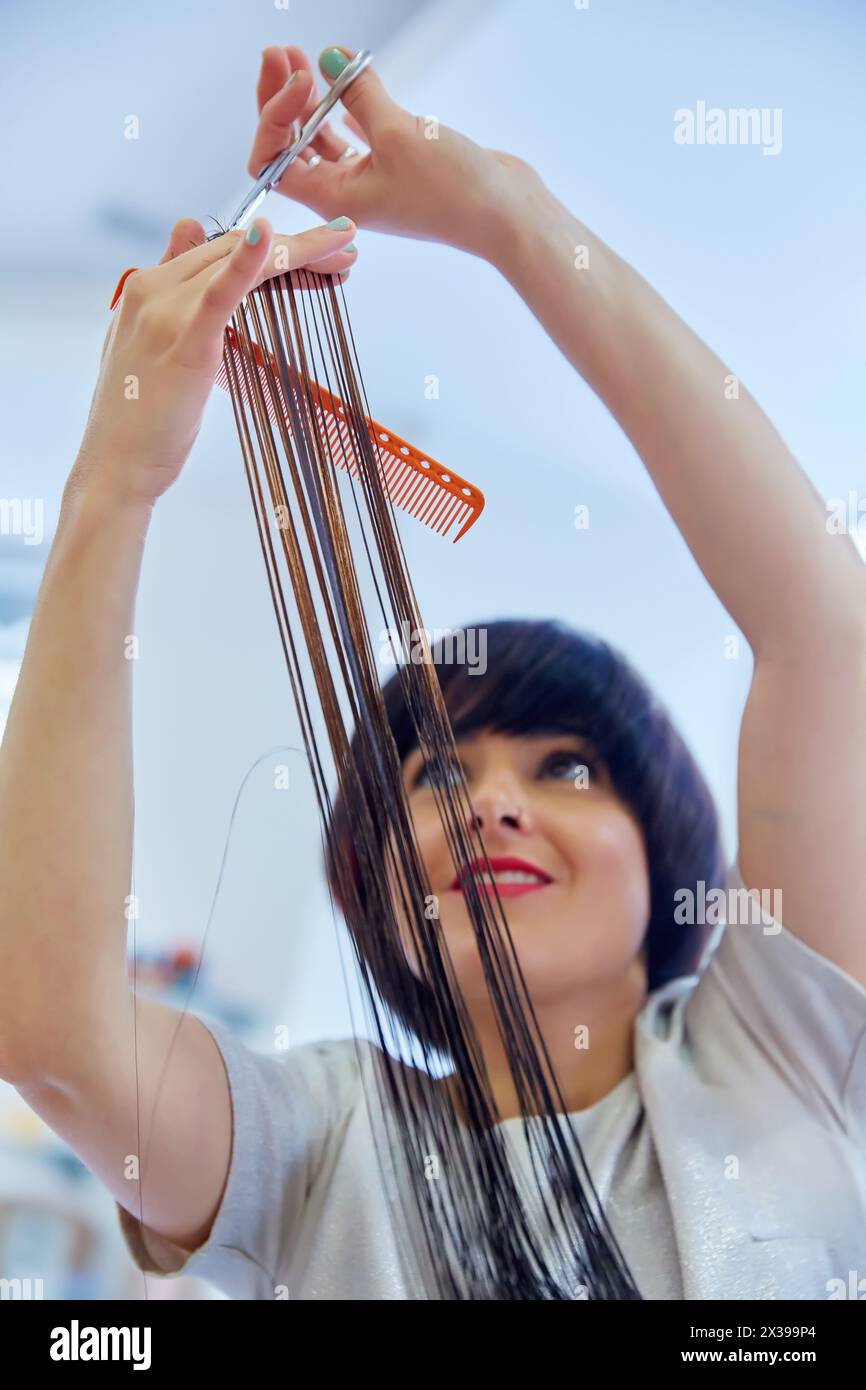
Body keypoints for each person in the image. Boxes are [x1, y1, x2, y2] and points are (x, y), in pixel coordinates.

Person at [0, 42, 863, 1301]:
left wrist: (504, 215)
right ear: (373, 885)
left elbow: (822, 626)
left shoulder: (784, 1065)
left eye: (565, 764)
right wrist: (112, 482)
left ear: (672, 853)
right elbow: (54, 1039)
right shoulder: (306, 1142)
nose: (486, 802)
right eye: (428, 775)